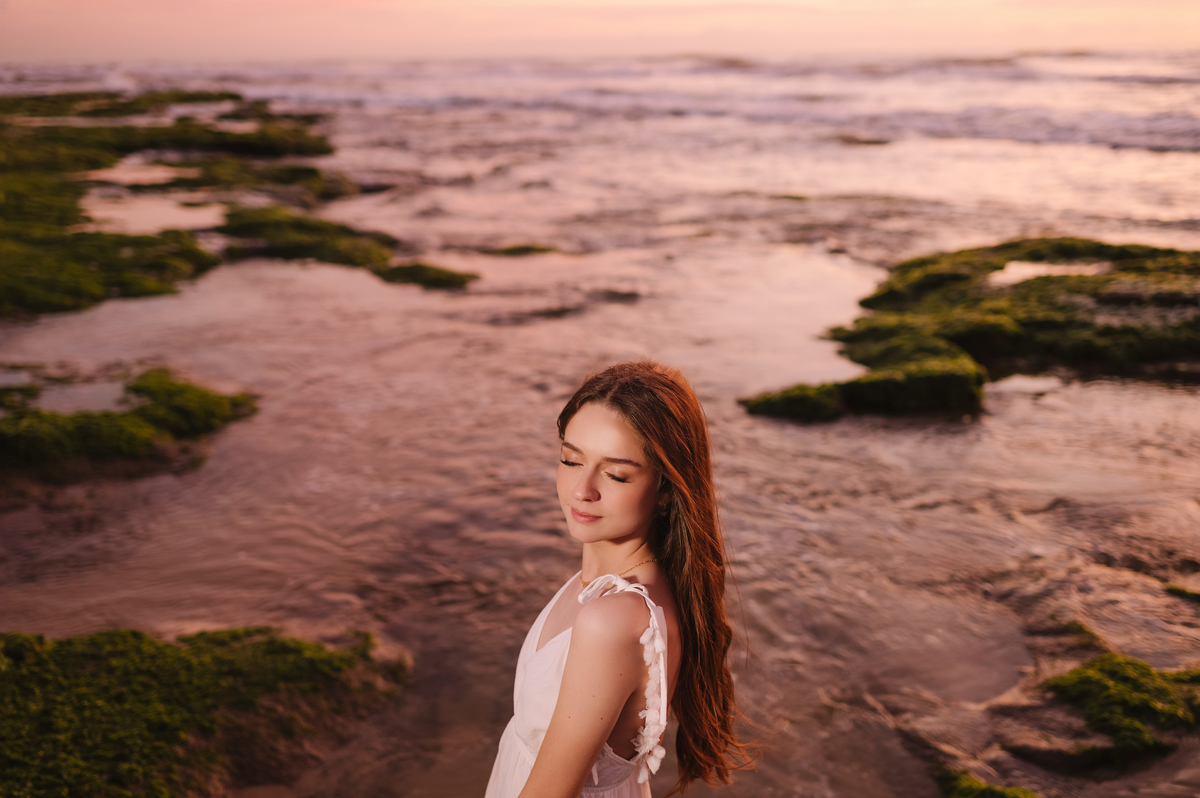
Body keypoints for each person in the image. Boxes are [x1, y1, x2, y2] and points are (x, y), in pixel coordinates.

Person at [486, 360, 747, 798]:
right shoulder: (606, 585)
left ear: (666, 489)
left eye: (615, 473)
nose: (581, 489)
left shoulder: (614, 618)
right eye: (571, 460)